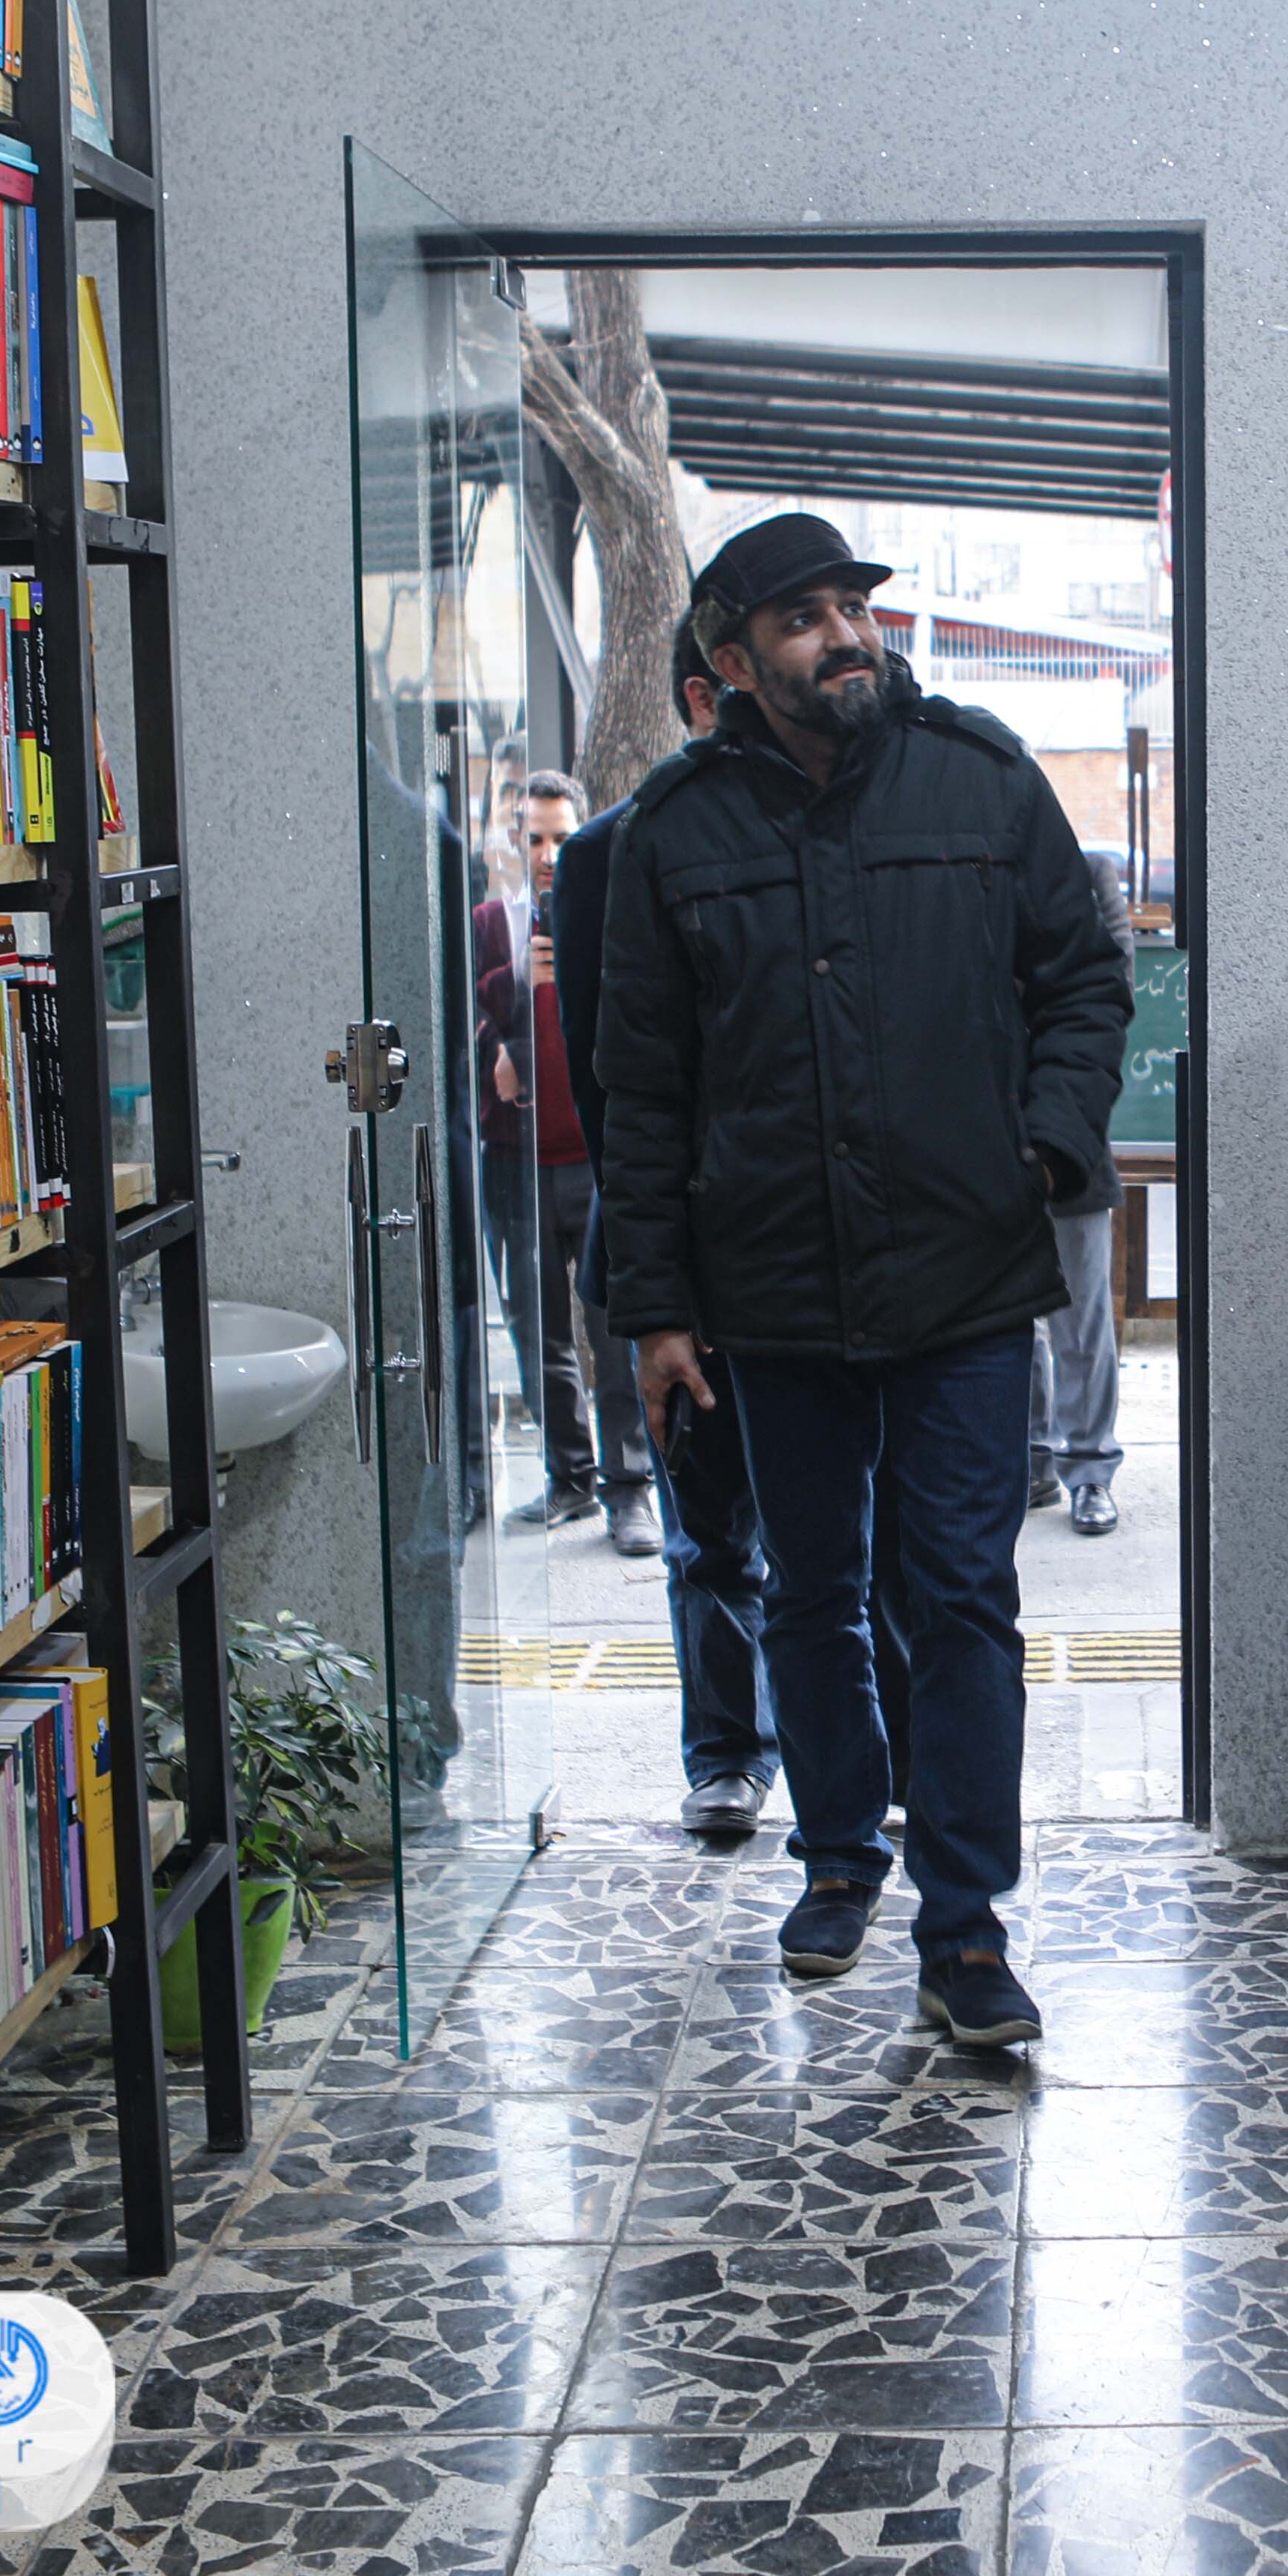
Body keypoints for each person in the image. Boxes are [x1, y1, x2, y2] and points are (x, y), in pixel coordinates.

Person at [599, 514, 1131, 2040]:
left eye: (852, 607)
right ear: (730, 658)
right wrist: (656, 1307)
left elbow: (1082, 982)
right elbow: (641, 1086)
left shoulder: (980, 778)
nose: (843, 635)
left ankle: (964, 1929)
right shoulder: (672, 831)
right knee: (811, 1589)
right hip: (768, 1282)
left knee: (958, 1594)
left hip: (965, 1269)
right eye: (801, 618)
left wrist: (1042, 1148)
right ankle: (838, 1855)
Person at [554, 638, 784, 1835]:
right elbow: (611, 1091)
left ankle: (858, 1759)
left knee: (841, 1535)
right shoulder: (606, 853)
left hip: (813, 1248)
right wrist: (655, 1282)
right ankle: (728, 1750)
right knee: (709, 1529)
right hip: (674, 1245)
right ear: (704, 695)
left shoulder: (826, 836)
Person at [474, 770, 651, 1544]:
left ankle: (630, 1487)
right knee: (535, 1333)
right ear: (514, 842)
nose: (548, 854)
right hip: (514, 1160)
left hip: (595, 1156)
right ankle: (569, 1478)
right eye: (535, 837)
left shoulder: (612, 913)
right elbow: (461, 1020)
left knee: (615, 1334)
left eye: (561, 837)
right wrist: (515, 984)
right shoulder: (488, 925)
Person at [1032, 847, 1132, 1535]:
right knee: (1004, 1319)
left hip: (1071, 1131)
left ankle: (1091, 1469)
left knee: (1081, 1316)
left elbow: (1113, 990)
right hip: (984, 1130)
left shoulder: (1088, 871)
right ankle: (1032, 1459)